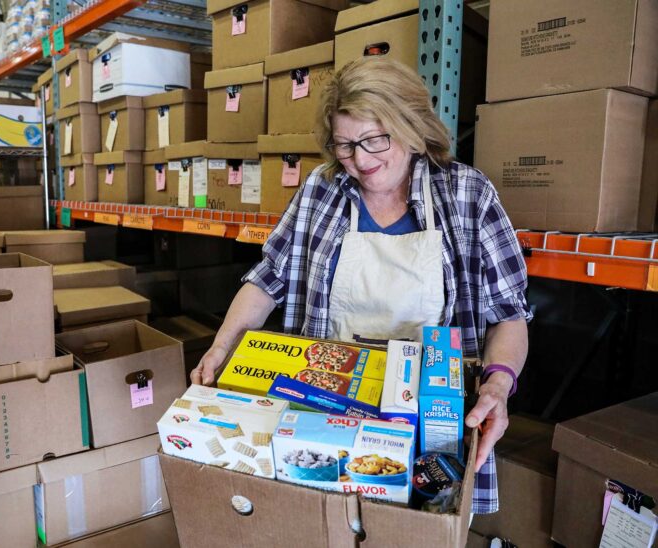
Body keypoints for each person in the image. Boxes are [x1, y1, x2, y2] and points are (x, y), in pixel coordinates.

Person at [190, 56, 530, 514]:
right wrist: (222, 345)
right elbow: (268, 279)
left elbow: (508, 315)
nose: (361, 160)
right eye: (345, 145)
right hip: (323, 416)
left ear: (412, 127)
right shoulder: (322, 188)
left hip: (430, 431)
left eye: (374, 140)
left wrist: (496, 388)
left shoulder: (467, 194)